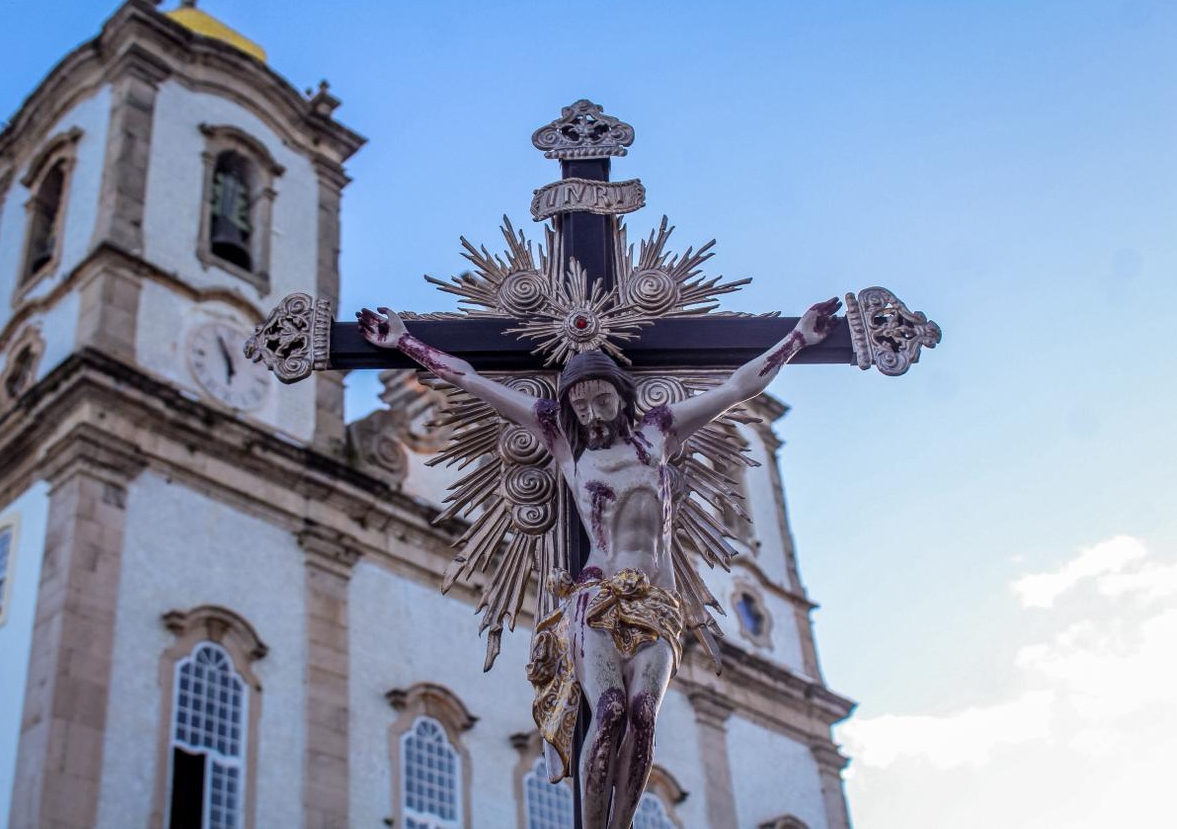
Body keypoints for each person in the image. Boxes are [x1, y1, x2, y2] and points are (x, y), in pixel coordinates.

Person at [357, 298, 841, 828]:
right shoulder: (563, 441)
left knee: (642, 717)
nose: (590, 411)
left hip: (658, 601)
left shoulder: (658, 432)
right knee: (608, 712)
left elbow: (736, 389)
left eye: (599, 398)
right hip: (596, 595)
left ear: (619, 394)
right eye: (580, 403)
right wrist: (405, 342)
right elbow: (471, 380)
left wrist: (797, 338)